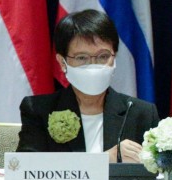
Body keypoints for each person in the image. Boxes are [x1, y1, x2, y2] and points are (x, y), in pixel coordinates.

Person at [16, 9, 159, 162]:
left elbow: (159, 173)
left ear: (114, 58)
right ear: (62, 62)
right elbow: (26, 169)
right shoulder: (39, 110)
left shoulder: (140, 113)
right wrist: (105, 159)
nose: (93, 66)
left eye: (103, 56)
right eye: (82, 58)